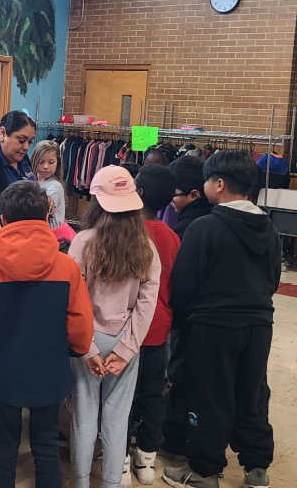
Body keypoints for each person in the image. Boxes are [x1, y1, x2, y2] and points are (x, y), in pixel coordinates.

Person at [0, 181, 94, 488]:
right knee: (46, 444)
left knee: (4, 445)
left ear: (3, 218)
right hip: (50, 370)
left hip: (3, 371)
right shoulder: (67, 267)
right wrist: (76, 348)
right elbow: (80, 322)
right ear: (47, 215)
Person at [163, 151, 280, 488]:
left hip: (212, 326)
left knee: (210, 395)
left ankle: (204, 470)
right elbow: (273, 279)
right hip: (259, 324)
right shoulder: (269, 228)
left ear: (218, 184)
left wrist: (181, 323)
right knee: (252, 392)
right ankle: (257, 468)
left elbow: (183, 284)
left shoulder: (204, 227)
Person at [68, 166, 161, 488]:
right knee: (118, 417)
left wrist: (87, 348)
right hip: (125, 338)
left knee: (83, 414)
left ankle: (80, 482)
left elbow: (73, 300)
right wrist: (127, 349)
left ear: (97, 200)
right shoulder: (147, 248)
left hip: (88, 338)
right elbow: (146, 305)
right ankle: (111, 483)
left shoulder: (83, 242)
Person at [128, 165, 180, 485]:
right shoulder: (172, 237)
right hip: (159, 327)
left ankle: (119, 458)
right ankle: (147, 457)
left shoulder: (125, 231)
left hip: (126, 328)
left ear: (139, 192)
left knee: (122, 395)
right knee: (152, 392)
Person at [161, 155, 213, 464]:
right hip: (213, 321)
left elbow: (179, 281)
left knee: (182, 377)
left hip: (190, 319)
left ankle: (177, 442)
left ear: (194, 194)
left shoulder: (188, 228)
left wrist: (176, 315)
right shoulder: (214, 220)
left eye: (175, 195)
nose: (172, 201)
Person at [168, 156, 213, 240]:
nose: (169, 200)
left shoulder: (184, 229)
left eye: (173, 194)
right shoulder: (218, 216)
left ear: (194, 195)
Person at [31, 140, 66, 229]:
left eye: (51, 162)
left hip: (51, 233)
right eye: (41, 162)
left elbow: (40, 213)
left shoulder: (54, 186)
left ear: (57, 163)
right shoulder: (33, 182)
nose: (45, 166)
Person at [145, 143, 180, 229]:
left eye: (156, 167)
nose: (149, 171)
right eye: (146, 165)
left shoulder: (172, 199)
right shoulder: (141, 190)